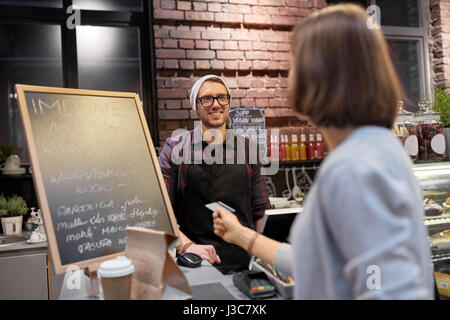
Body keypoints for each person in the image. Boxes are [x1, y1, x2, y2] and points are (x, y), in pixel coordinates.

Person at [212, 3, 434, 299]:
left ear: (319, 75)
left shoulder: (356, 167)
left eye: (294, 63)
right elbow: (317, 264)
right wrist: (242, 235)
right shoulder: (372, 149)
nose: (288, 75)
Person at [158, 74, 271, 274]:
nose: (216, 104)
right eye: (207, 99)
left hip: (245, 261)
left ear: (228, 102)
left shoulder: (248, 149)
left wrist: (265, 255)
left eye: (222, 97)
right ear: (196, 105)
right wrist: (187, 246)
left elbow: (260, 210)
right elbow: (160, 213)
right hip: (198, 262)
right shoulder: (176, 148)